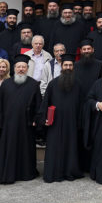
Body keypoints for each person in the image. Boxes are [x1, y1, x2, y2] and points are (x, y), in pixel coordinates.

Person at [0, 55, 41, 184]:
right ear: (14, 68)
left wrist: (36, 119)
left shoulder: (34, 84)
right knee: (10, 148)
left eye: (24, 67)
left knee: (26, 149)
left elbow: (38, 105)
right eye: (19, 67)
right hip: (9, 126)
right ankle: (9, 173)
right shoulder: (6, 84)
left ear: (27, 68)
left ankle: (26, 173)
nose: (21, 69)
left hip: (26, 124)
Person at [38, 54, 85, 182]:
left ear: (73, 67)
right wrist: (45, 119)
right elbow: (45, 102)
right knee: (55, 148)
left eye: (70, 65)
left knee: (71, 148)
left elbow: (82, 105)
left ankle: (70, 172)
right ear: (61, 67)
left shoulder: (79, 84)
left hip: (72, 123)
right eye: (66, 65)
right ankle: (54, 173)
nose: (68, 67)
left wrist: (80, 122)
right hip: (55, 123)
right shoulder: (53, 84)